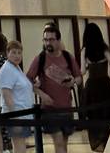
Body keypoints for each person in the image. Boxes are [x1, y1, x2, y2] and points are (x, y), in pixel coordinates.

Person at [26, 23, 81, 153]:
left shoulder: (68, 57)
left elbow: (79, 78)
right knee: (59, 143)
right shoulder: (40, 58)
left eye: (51, 39)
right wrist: (41, 94)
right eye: (45, 40)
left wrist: (73, 82)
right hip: (50, 110)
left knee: (64, 144)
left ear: (58, 40)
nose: (48, 43)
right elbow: (28, 80)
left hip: (67, 108)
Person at [80, 23, 110, 152]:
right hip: (105, 85)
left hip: (91, 87)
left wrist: (87, 66)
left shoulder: (85, 50)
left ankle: (98, 145)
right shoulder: (105, 48)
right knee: (107, 115)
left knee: (94, 116)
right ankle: (107, 142)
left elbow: (82, 71)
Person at [0, 40, 34, 153]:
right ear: (7, 53)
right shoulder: (7, 69)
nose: (17, 56)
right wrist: (15, 117)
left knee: (19, 146)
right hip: (17, 115)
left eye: (19, 52)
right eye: (13, 52)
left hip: (23, 114)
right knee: (19, 147)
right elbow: (6, 94)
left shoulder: (16, 68)